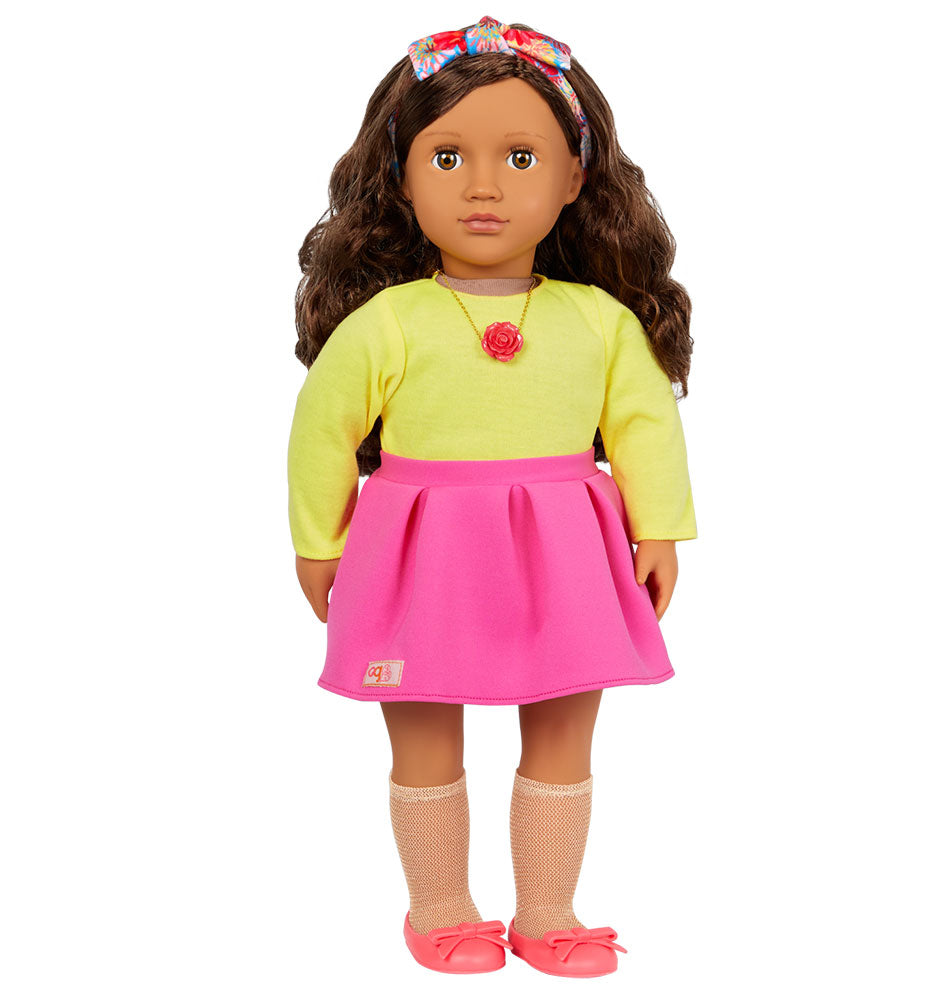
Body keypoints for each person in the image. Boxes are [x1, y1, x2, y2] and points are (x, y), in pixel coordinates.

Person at [287, 14, 697, 977]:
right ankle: (440, 907)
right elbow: (322, 430)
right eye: (447, 156)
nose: (483, 186)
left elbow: (645, 425)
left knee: (564, 727)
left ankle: (548, 911)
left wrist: (660, 528)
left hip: (567, 550)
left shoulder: (599, 321)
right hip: (418, 553)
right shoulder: (388, 322)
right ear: (400, 178)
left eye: (521, 156)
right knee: (424, 726)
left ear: (574, 178)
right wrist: (318, 542)